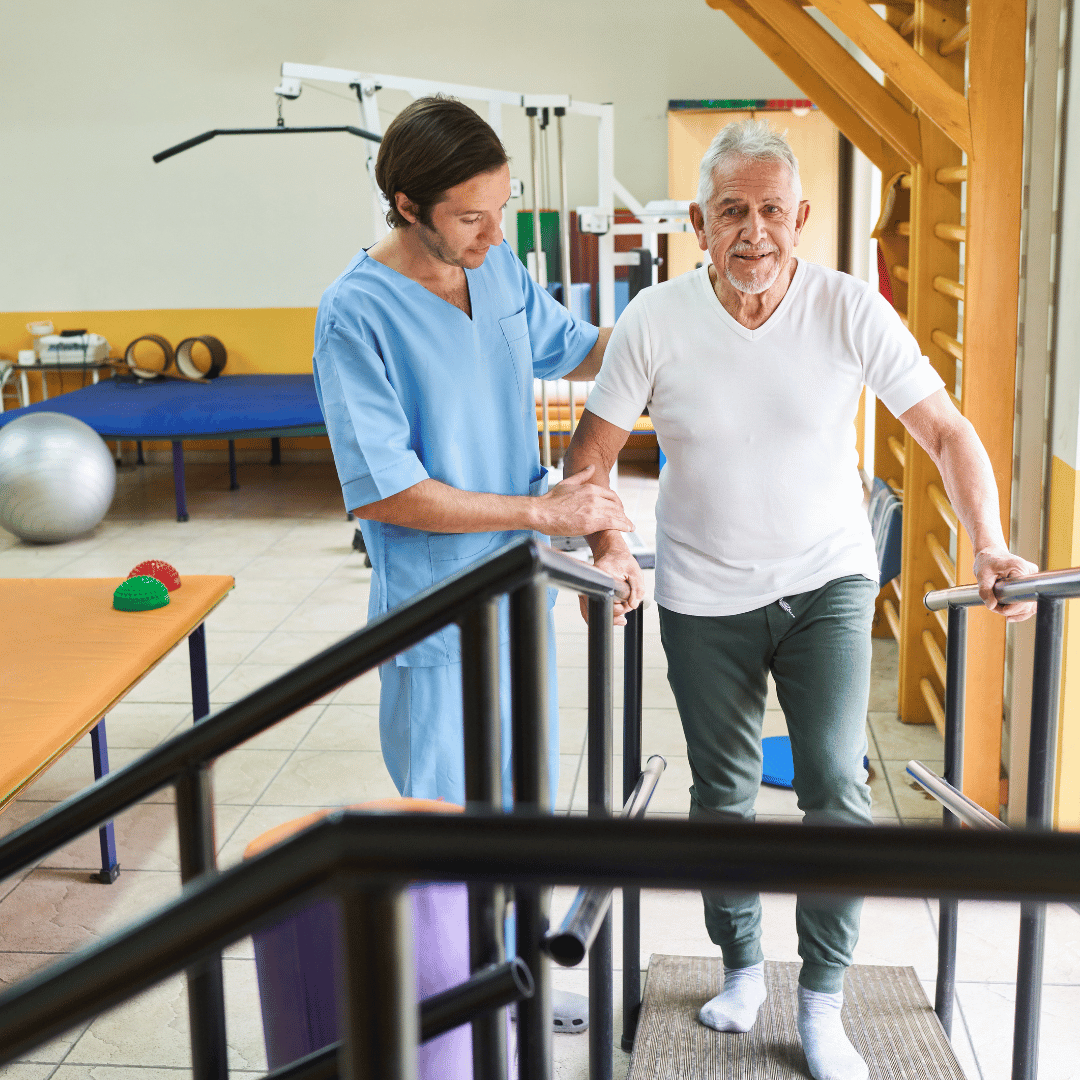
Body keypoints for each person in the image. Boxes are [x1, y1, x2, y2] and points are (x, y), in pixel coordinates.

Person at [564, 119, 1036, 1080]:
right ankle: (742, 967)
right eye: (731, 211)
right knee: (722, 799)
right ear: (699, 221)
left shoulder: (846, 306)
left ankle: (822, 1001)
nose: (753, 232)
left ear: (803, 218)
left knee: (835, 784)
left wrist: (989, 545)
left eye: (771, 211)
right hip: (700, 591)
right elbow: (591, 458)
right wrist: (611, 545)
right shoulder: (656, 317)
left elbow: (945, 431)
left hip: (828, 579)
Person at [312, 94, 632, 807]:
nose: (494, 233)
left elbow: (581, 351)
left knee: (528, 812)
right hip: (437, 611)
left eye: (502, 208)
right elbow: (386, 489)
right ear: (407, 205)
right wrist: (545, 513)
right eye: (469, 218)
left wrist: (680, 330)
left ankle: (524, 926)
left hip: (521, 592)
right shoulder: (354, 313)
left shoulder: (496, 267)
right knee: (451, 823)